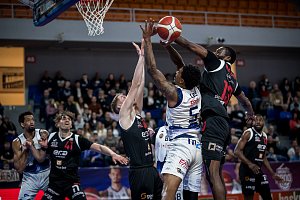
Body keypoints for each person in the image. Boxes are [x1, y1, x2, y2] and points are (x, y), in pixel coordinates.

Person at [173, 34, 255, 199]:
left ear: (226, 57)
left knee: (212, 173)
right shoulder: (233, 79)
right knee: (215, 173)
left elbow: (191, 46)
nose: (215, 52)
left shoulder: (217, 63)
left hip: (213, 121)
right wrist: (250, 113)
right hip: (223, 123)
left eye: (219, 51)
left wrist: (172, 36)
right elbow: (245, 100)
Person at [141, 20, 203, 200]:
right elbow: (180, 64)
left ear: (182, 80)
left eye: (178, 74)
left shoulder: (174, 93)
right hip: (196, 148)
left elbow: (152, 70)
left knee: (168, 192)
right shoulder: (195, 89)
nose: (176, 73)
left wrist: (147, 40)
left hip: (181, 146)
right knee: (191, 196)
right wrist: (168, 46)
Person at [110, 40, 163, 200]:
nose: (124, 96)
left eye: (124, 95)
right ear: (119, 107)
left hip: (151, 168)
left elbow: (140, 85)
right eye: (121, 98)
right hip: (139, 170)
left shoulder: (137, 112)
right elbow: (134, 85)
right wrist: (141, 57)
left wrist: (144, 57)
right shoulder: (124, 116)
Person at [38, 110, 128, 200]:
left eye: (69, 119)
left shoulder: (78, 140)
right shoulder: (50, 137)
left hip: (72, 183)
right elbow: (40, 159)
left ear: (71, 124)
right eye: (63, 118)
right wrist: (43, 148)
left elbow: (99, 147)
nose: (67, 120)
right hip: (55, 185)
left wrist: (113, 154)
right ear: (57, 124)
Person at [234, 114, 283, 200]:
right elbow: (237, 151)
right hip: (246, 170)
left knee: (267, 195)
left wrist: (273, 173)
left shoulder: (264, 136)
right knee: (249, 197)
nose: (258, 122)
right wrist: (250, 164)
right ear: (252, 122)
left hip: (257, 170)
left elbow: (263, 156)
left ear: (264, 122)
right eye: (256, 120)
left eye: (260, 120)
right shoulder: (248, 133)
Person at [12, 111, 50, 200]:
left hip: (47, 175)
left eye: (33, 119)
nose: (32, 122)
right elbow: (20, 169)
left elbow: (41, 158)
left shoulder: (42, 133)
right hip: (30, 178)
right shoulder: (17, 142)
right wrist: (25, 150)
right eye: (28, 120)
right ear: (22, 124)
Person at [152, 126, 183, 200]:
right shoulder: (158, 131)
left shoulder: (183, 130)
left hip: (178, 167)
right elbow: (153, 149)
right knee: (163, 193)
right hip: (161, 169)